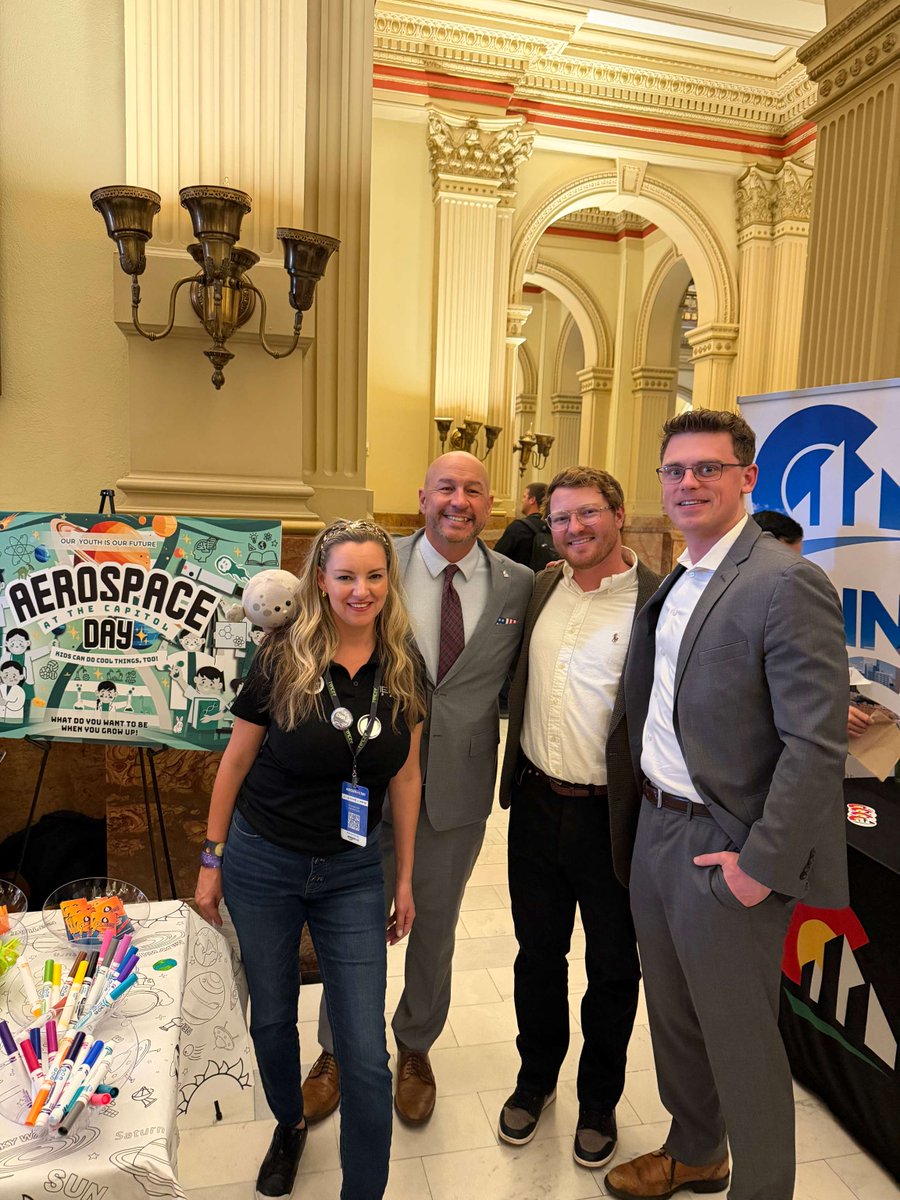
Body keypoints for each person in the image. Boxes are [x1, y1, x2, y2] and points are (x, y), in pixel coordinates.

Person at [606, 410, 849, 1200]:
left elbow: (815, 745)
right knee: (675, 1017)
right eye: (674, 470)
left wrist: (760, 866)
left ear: (747, 478)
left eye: (708, 468)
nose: (688, 483)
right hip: (655, 829)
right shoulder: (680, 575)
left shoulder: (784, 581)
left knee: (740, 1040)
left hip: (724, 844)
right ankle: (697, 1150)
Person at [195, 519, 425, 1200]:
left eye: (374, 576)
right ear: (320, 581)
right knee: (272, 1018)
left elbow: (407, 776)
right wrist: (211, 860)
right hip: (263, 861)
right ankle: (290, 1123)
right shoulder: (282, 655)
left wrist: (404, 878)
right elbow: (236, 760)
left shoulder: (405, 664)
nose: (361, 591)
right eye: (345, 576)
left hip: (351, 871)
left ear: (389, 580)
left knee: (366, 1055)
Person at [305, 452, 533, 1125]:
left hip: (458, 789)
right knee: (351, 920)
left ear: (490, 503)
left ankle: (415, 1046)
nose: (459, 501)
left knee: (434, 924)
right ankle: (336, 1049)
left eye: (473, 490)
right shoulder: (375, 564)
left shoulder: (519, 583)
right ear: (422, 496)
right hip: (365, 780)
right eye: (445, 488)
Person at [496, 466, 661, 1168]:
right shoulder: (541, 588)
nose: (573, 528)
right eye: (560, 518)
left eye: (588, 513)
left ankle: (599, 1099)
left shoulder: (659, 601)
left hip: (614, 818)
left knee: (615, 966)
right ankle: (535, 1079)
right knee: (537, 956)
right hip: (536, 804)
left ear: (619, 515)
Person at [493, 481, 556, 571]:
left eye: (524, 496)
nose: (522, 500)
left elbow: (496, 559)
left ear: (532, 500)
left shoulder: (518, 527)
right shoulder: (554, 528)